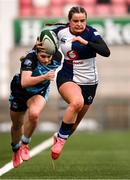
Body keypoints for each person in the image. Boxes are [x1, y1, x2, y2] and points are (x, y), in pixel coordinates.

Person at [41, 6, 110, 160]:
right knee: (76, 102)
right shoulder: (60, 32)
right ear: (69, 21)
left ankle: (59, 136)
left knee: (73, 126)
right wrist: (33, 54)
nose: (79, 24)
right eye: (75, 21)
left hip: (90, 82)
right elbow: (43, 43)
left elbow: (106, 51)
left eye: (82, 20)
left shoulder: (92, 33)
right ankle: (60, 141)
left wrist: (85, 42)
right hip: (67, 76)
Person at [9, 37, 62, 168]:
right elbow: (25, 82)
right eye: (43, 56)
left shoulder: (57, 56)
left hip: (39, 91)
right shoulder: (29, 59)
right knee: (17, 124)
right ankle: (15, 150)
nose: (46, 60)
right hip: (20, 92)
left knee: (34, 114)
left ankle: (25, 144)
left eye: (49, 57)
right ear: (36, 52)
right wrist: (45, 77)